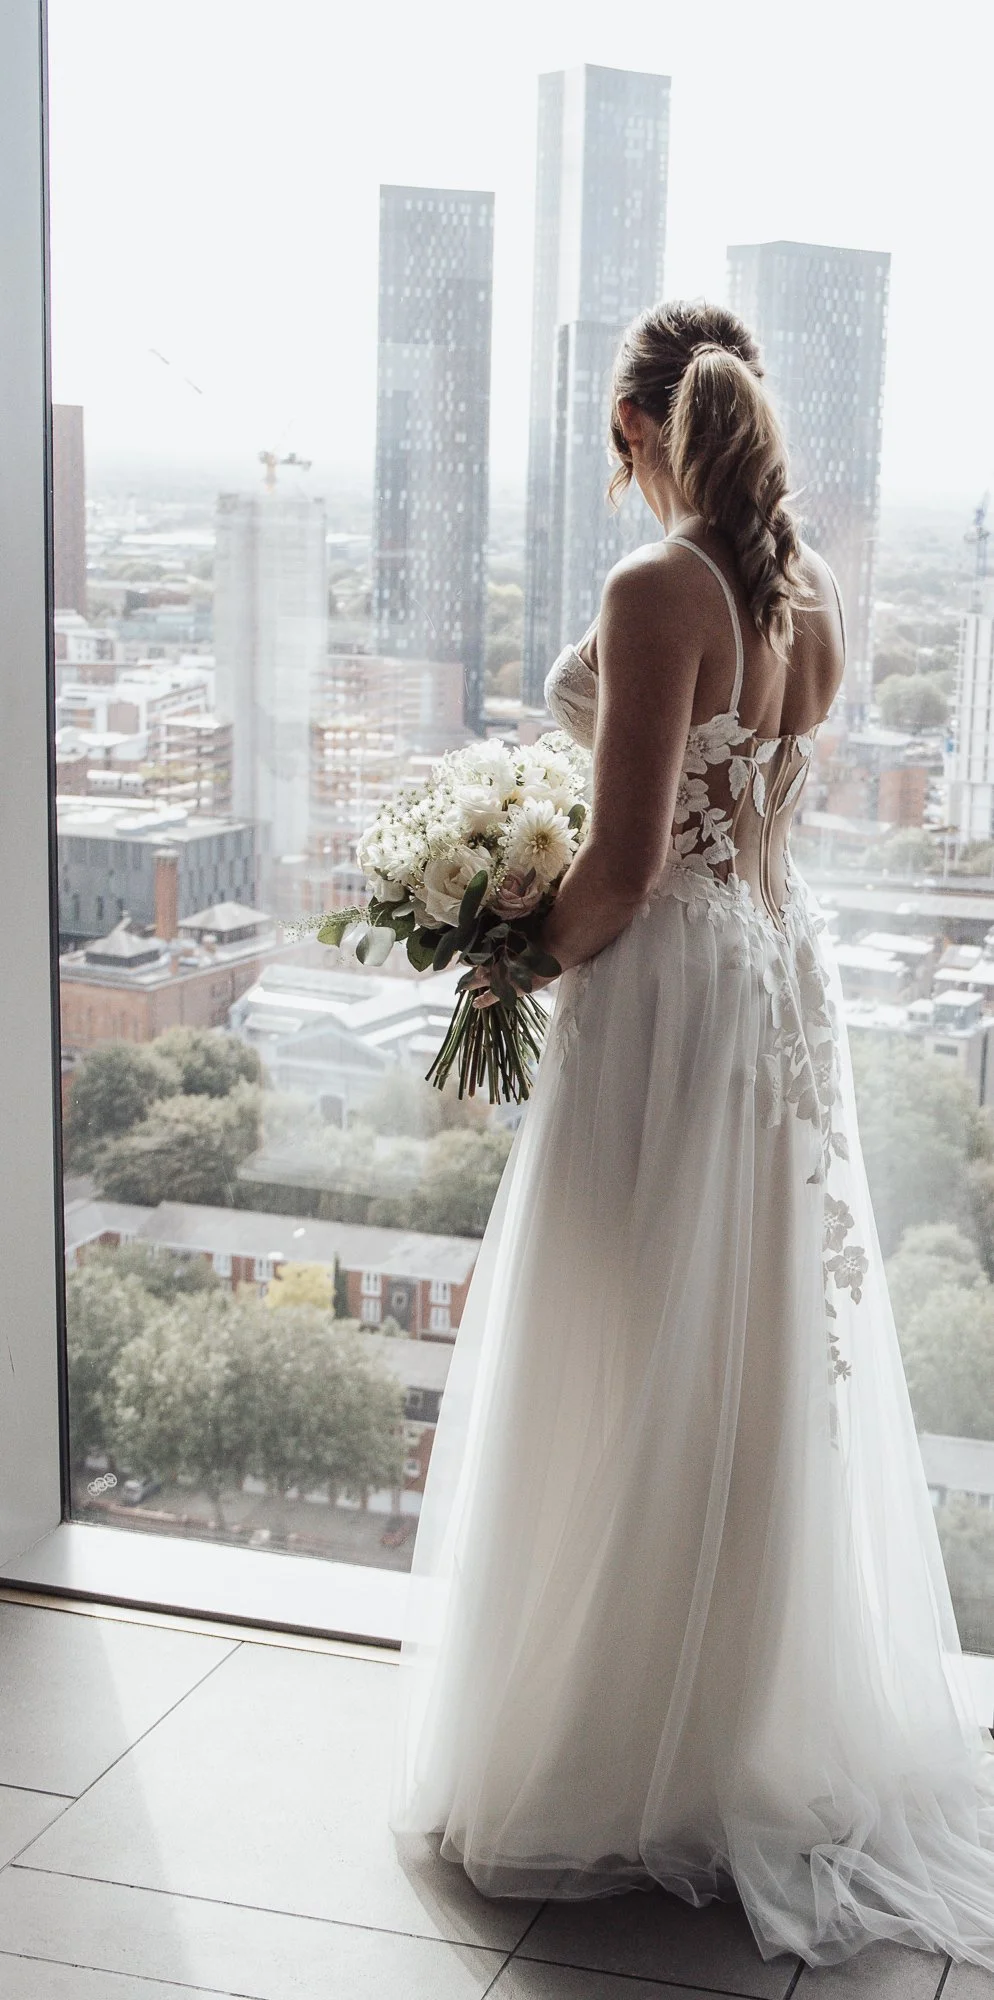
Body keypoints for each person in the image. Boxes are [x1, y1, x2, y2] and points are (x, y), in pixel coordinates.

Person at [389, 299, 994, 1969]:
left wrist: (502, 949)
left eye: (613, 444)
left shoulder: (659, 589)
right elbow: (744, 833)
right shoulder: (804, 596)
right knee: (744, 1358)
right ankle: (733, 1729)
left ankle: (616, 1750)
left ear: (640, 430)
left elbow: (629, 866)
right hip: (777, 997)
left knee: (622, 1332)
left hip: (668, 1000)